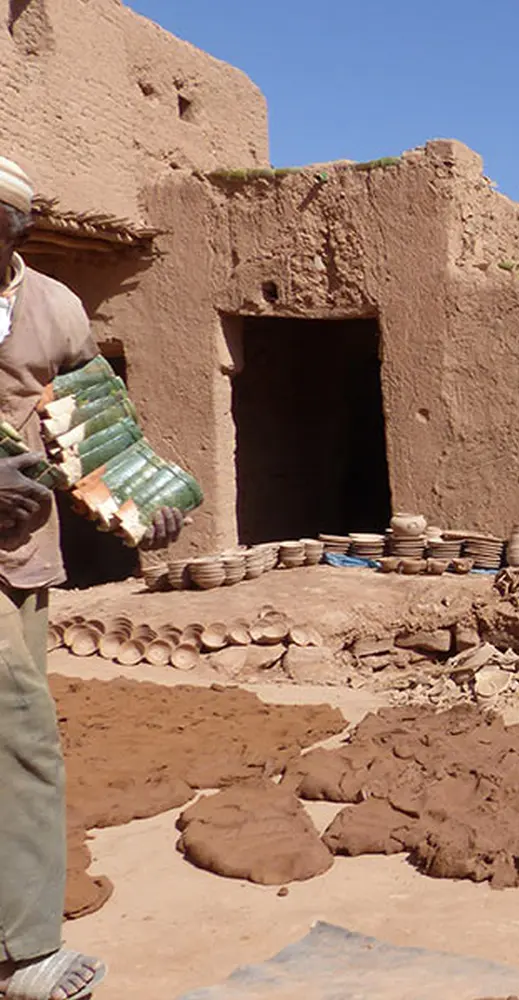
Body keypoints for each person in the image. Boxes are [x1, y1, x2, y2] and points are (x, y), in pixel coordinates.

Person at [0, 156, 183, 1000]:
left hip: (20, 557)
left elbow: (93, 426)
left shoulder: (56, 309)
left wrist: (142, 501)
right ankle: (25, 952)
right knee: (21, 735)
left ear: (19, 230)